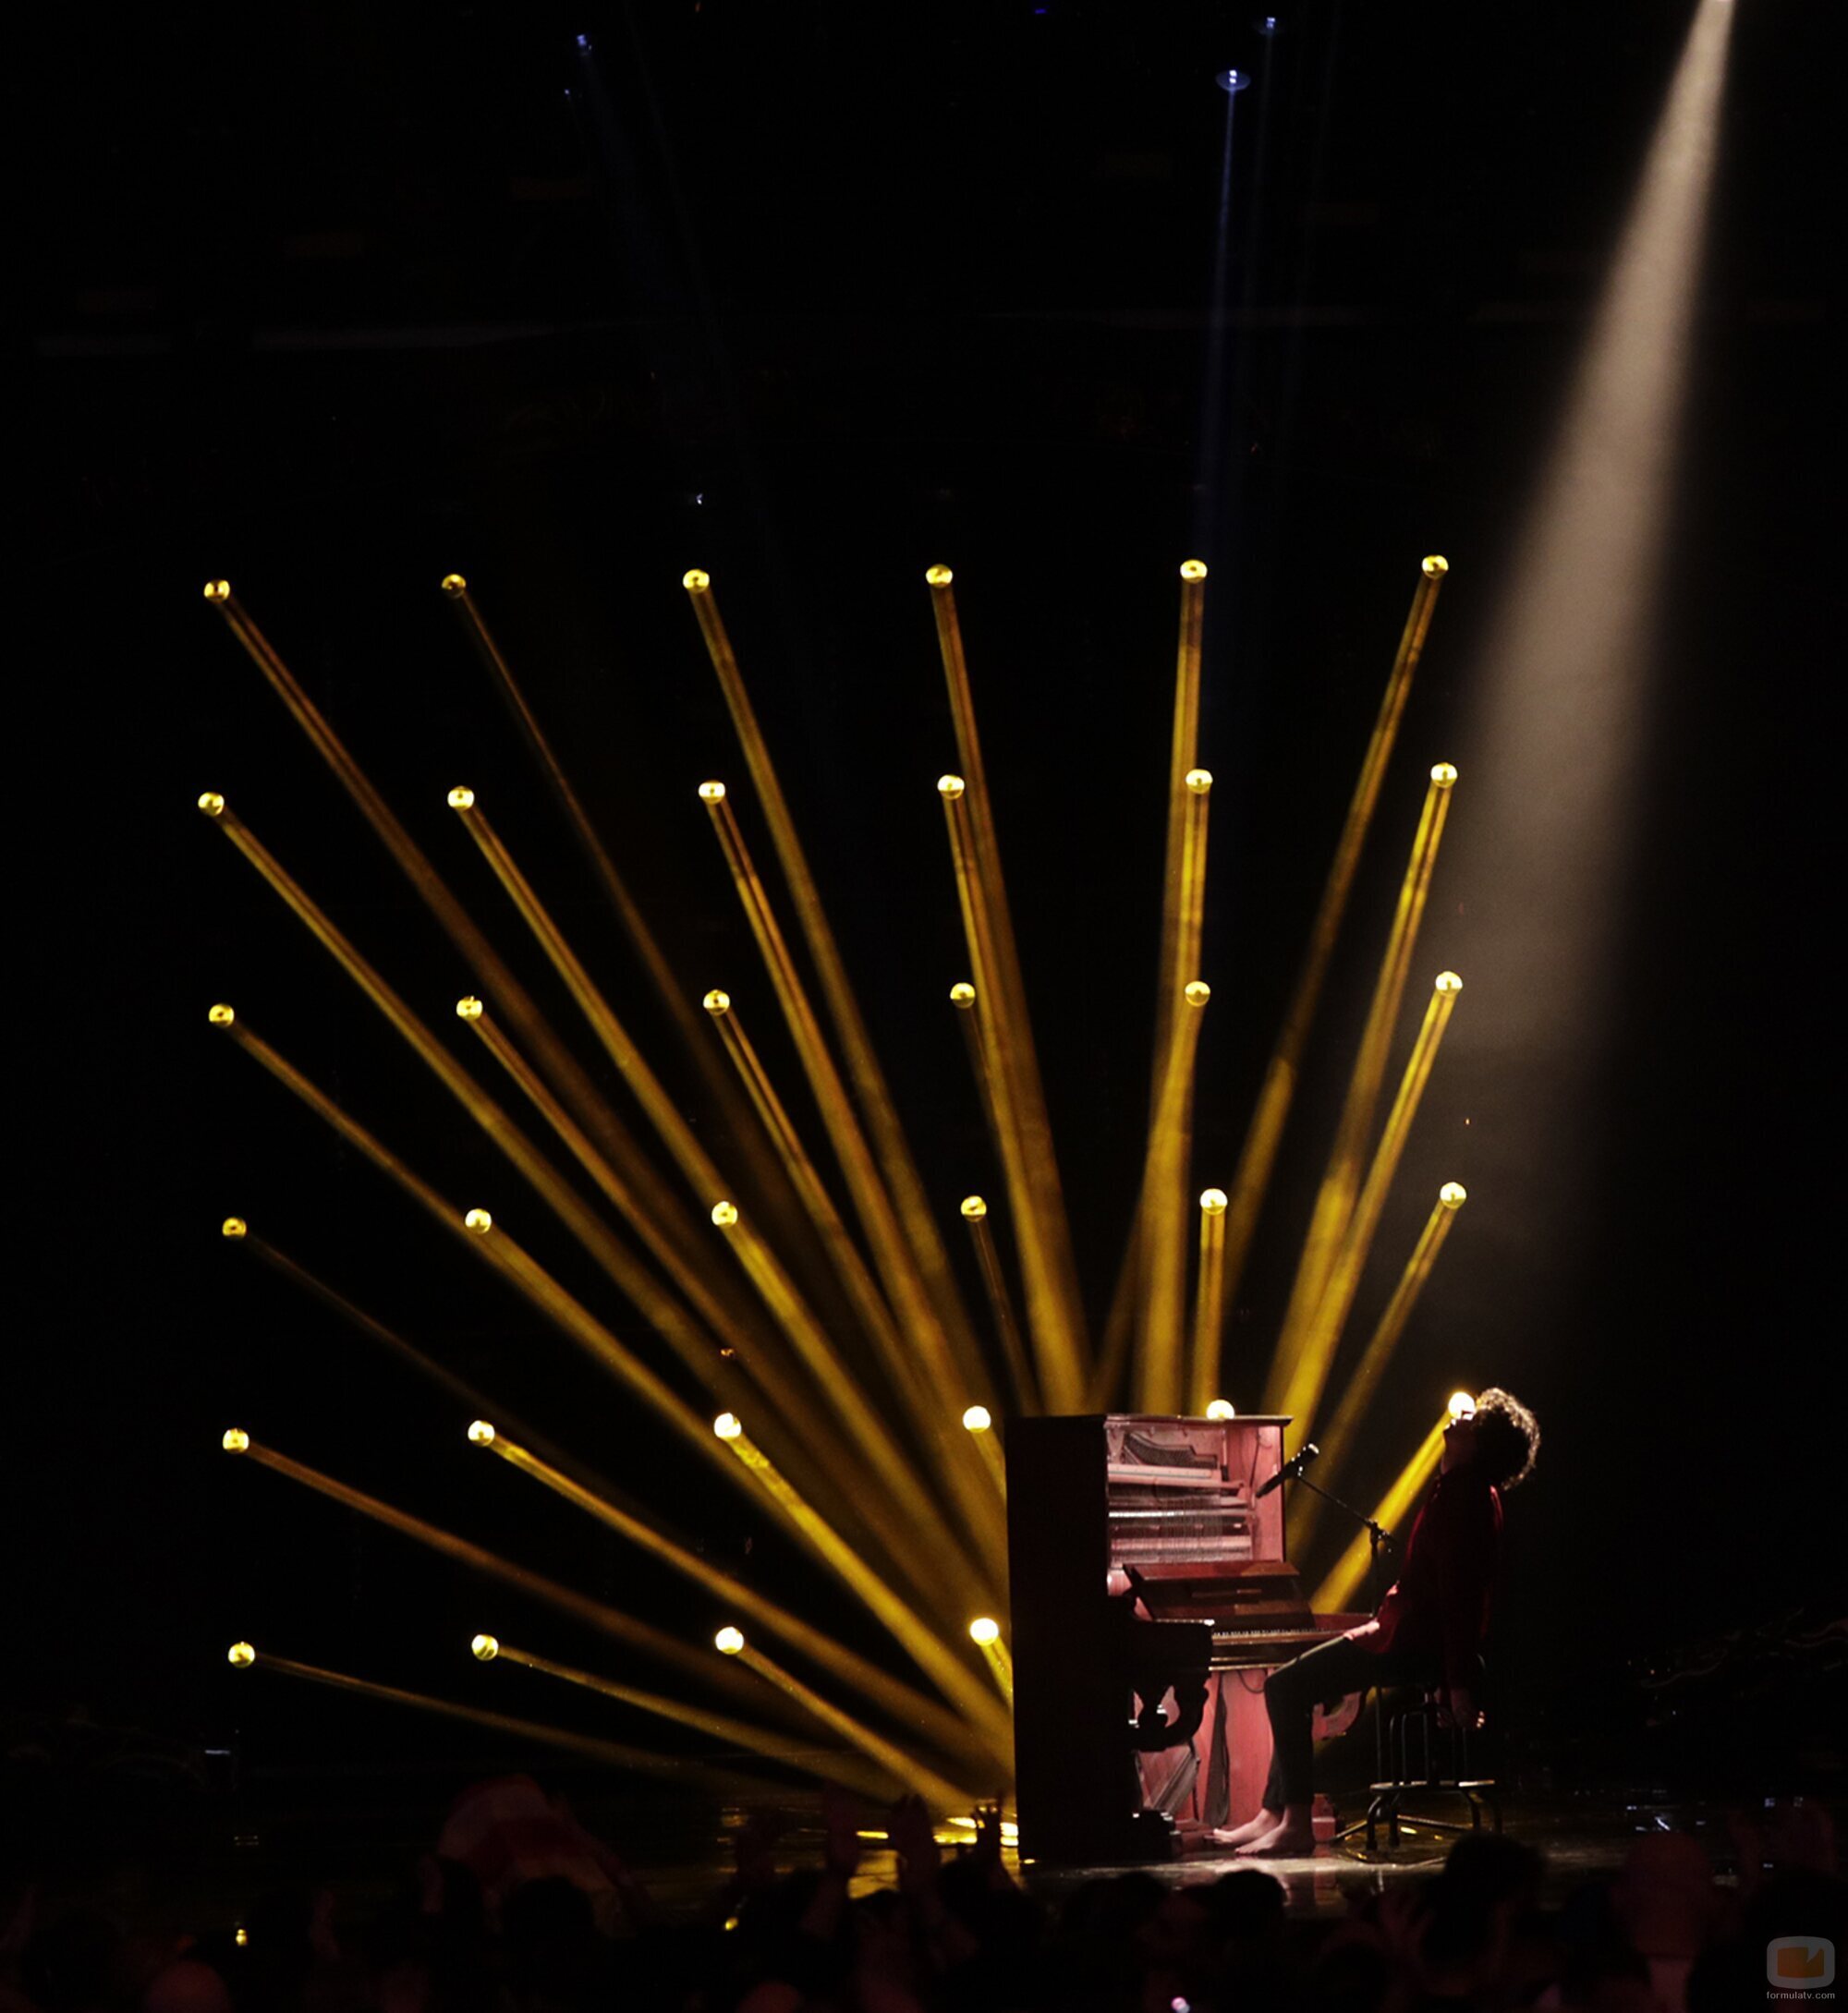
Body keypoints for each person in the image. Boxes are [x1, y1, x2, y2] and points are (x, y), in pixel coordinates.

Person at [1216, 1386, 1541, 1857]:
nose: (1460, 1418)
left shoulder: (1465, 1497)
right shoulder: (1464, 1489)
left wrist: (1457, 1683)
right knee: (1293, 1683)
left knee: (1286, 1686)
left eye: (1473, 1420)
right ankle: (1275, 1814)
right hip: (1408, 1635)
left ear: (1482, 1442)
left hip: (1410, 1641)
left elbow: (1461, 1599)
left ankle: (1295, 1824)